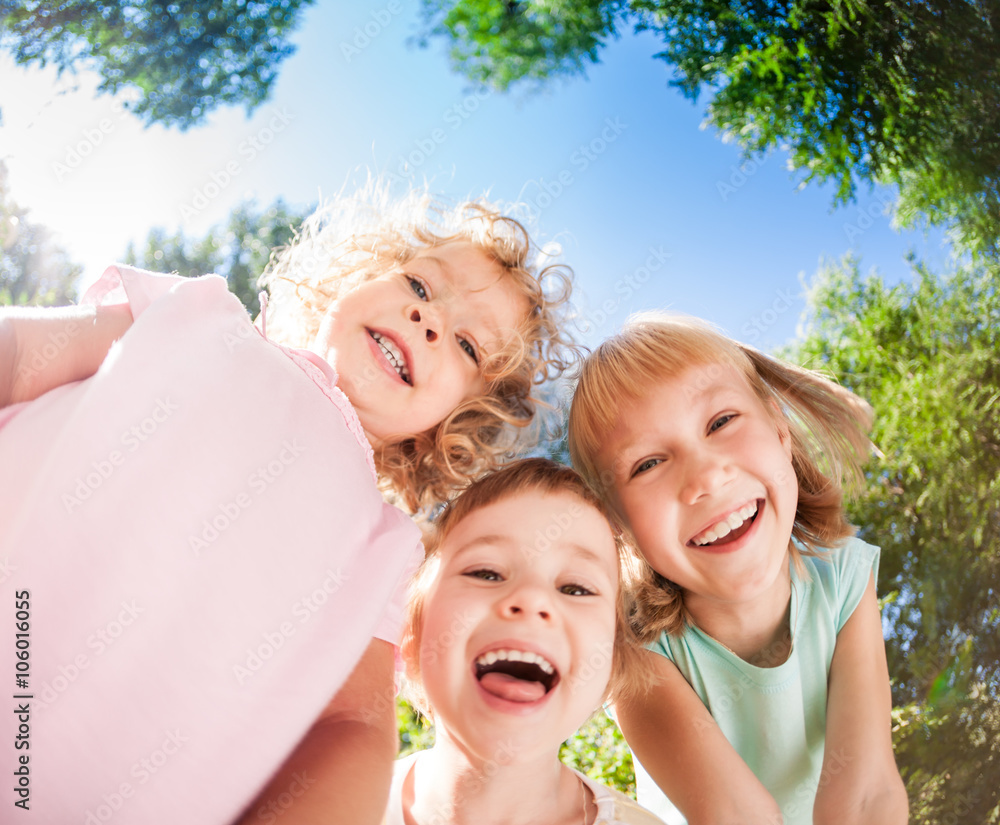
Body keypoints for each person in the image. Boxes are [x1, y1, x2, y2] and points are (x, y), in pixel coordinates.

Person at [0, 185, 575, 824]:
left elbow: (352, 728)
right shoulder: (201, 317)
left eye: (468, 346)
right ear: (354, 278)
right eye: (418, 286)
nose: (430, 320)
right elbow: (20, 355)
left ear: (459, 416)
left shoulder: (385, 547)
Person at [567, 313, 909, 825]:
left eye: (721, 422)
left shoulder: (843, 579)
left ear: (778, 428)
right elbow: (736, 815)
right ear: (617, 522)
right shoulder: (639, 655)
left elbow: (865, 795)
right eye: (648, 464)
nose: (706, 476)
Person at [386, 457, 664, 825]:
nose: (533, 599)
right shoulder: (327, 805)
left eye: (576, 588)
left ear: (610, 666)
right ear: (410, 633)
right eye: (486, 572)